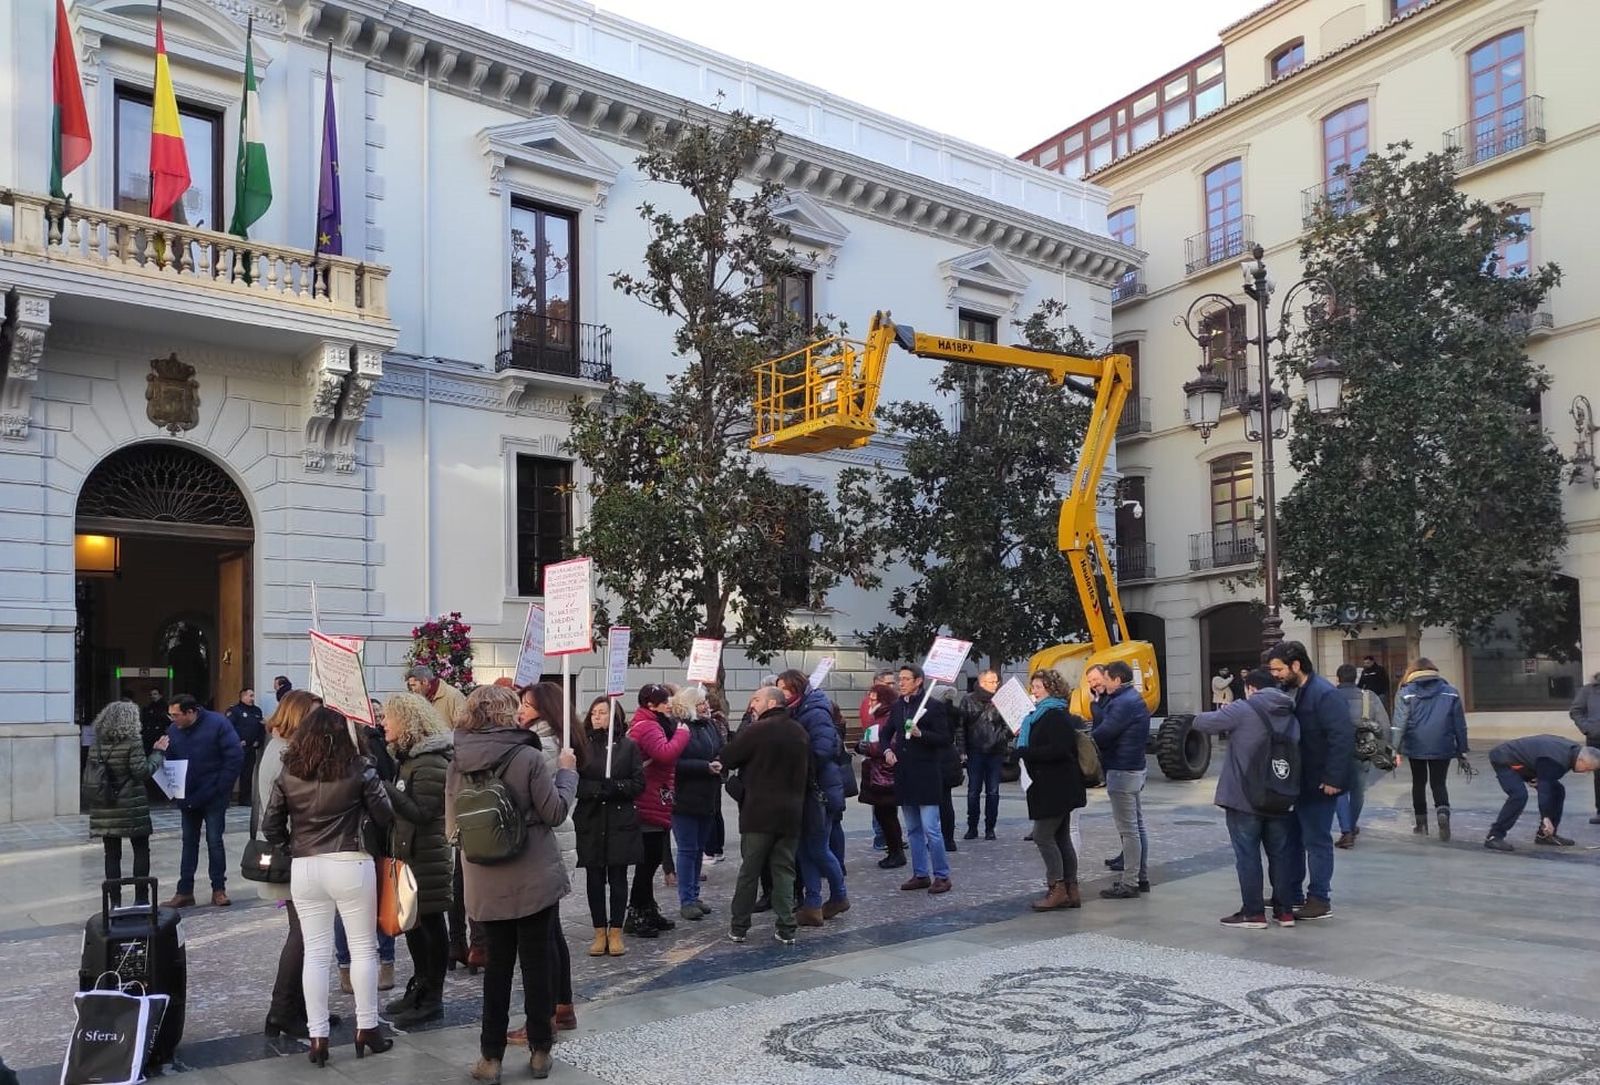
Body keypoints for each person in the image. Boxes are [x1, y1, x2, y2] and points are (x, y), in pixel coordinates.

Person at [446, 685, 577, 1083]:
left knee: (497, 969)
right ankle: (539, 1050)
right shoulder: (529, 756)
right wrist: (568, 773)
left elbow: (452, 828)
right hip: (533, 872)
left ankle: (490, 1058)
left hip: (484, 879)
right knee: (538, 965)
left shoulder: (457, 761)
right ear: (505, 714)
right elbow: (554, 813)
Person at [262, 706, 395, 1066]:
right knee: (363, 949)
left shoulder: (290, 770)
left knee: (317, 953)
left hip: (305, 865)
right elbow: (385, 815)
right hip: (350, 860)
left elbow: (270, 824)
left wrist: (292, 845)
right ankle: (367, 1028)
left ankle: (317, 1036)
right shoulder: (359, 767)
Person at [1194, 669, 1301, 929]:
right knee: (1280, 854)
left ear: (1251, 688)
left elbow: (1202, 723)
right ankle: (1285, 912)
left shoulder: (1243, 709)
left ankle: (1253, 913)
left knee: (1248, 854)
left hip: (1245, 796)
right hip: (1281, 793)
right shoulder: (1290, 713)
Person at [257, 690, 330, 1041]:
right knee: (304, 934)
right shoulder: (285, 754)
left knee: (305, 932)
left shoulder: (282, 748)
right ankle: (283, 1010)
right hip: (294, 854)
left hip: (294, 852)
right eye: (313, 715)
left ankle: (300, 1007)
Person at [377, 692, 454, 1028]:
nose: (383, 723)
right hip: (410, 853)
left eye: (389, 718)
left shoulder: (430, 762)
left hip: (428, 855)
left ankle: (432, 997)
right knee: (413, 926)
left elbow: (424, 813)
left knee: (431, 927)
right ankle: (420, 986)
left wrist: (386, 789)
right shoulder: (408, 760)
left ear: (407, 722)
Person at [1265, 641, 1353, 922]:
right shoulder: (1289, 691)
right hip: (1293, 782)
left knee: (1317, 841)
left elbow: (1341, 737)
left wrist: (1333, 778)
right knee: (1290, 841)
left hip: (1318, 782)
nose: (1274, 675)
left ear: (1295, 666)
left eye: (1278, 669)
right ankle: (1291, 894)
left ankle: (1319, 898)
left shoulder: (1324, 694)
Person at [512, 681, 580, 1040]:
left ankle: (545, 1016)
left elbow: (549, 803)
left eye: (527, 704)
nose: (521, 709)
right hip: (553, 844)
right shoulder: (542, 739)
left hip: (548, 845)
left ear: (546, 709)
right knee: (551, 931)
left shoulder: (545, 744)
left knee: (542, 937)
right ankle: (561, 1006)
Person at [722, 686, 810, 945]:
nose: (752, 704)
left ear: (772, 702)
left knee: (750, 870)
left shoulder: (757, 730)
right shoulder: (799, 731)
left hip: (759, 813)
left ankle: (739, 927)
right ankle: (786, 928)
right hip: (791, 812)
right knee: (784, 871)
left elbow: (729, 756)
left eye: (757, 699)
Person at [776, 670, 848, 926]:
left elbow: (823, 749)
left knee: (817, 848)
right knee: (805, 850)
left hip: (821, 791)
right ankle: (813, 904)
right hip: (809, 790)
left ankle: (839, 896)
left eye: (783, 688)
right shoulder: (798, 711)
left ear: (795, 689)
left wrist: (795, 766)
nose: (780, 693)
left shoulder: (815, 712)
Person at [573, 697, 643, 956]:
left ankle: (616, 930)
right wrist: (594, 790)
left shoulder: (628, 747)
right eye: (594, 713)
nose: (597, 717)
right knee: (594, 877)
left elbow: (638, 783)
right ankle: (598, 930)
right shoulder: (582, 747)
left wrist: (616, 787)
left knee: (618, 877)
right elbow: (574, 782)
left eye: (602, 713)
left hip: (619, 819)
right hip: (591, 819)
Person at [159, 694, 243, 909]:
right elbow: (168, 759)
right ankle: (184, 891)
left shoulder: (218, 724)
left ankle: (219, 889)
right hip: (187, 796)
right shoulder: (173, 731)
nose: (173, 719)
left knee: (214, 841)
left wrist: (221, 788)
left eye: (176, 715)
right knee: (189, 842)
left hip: (214, 795)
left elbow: (234, 757)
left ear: (191, 712)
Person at [1018, 670, 1086, 911]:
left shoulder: (1054, 715)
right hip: (1055, 786)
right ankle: (1071, 889)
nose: (1033, 691)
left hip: (1056, 787)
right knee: (1061, 837)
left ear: (1051, 688)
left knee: (1042, 836)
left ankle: (1057, 888)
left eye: (1037, 687)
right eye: (1033, 686)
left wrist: (1026, 752)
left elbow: (1059, 750)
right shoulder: (1040, 715)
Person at [625, 684, 688, 937]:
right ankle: (637, 913)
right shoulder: (649, 726)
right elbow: (664, 754)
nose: (669, 704)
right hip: (648, 801)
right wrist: (683, 734)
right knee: (647, 862)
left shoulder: (650, 722)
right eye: (664, 701)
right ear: (651, 704)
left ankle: (647, 908)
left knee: (650, 860)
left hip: (655, 798)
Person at [86, 702, 165, 906]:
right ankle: (141, 898)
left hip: (104, 805)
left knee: (111, 854)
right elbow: (142, 772)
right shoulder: (133, 742)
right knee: (140, 849)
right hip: (131, 805)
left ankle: (115, 902)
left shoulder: (97, 744)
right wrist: (157, 753)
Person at [888, 664, 953, 895]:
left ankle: (942, 876)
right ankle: (920, 873)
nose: (901, 682)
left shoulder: (933, 707)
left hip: (926, 775)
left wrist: (921, 734)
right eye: (900, 678)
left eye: (906, 679)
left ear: (918, 681)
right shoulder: (897, 707)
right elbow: (887, 733)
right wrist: (887, 750)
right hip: (905, 775)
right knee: (913, 828)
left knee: (931, 829)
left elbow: (945, 738)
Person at [1390, 658, 1468, 841]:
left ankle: (1421, 823)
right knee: (1439, 783)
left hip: (1416, 744)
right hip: (1443, 744)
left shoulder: (1406, 693)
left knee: (1418, 783)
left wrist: (1395, 749)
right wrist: (1462, 749)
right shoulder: (1451, 692)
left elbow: (1399, 724)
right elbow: (1460, 725)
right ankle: (1442, 812)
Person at [1091, 661, 1150, 900]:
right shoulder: (1131, 699)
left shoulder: (1123, 703)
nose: (1102, 682)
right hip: (1134, 767)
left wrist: (1085, 740)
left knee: (1129, 830)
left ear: (1116, 679)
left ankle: (1130, 882)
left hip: (1122, 770)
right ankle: (1140, 876)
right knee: (1136, 826)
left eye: (1105, 678)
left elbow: (1103, 733)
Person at [668, 686, 726, 922]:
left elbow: (720, 750)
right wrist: (704, 767)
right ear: (690, 705)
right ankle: (687, 900)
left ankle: (695, 895)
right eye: (701, 702)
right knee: (687, 849)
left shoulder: (710, 726)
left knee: (699, 848)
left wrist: (721, 762)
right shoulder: (679, 728)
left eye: (706, 702)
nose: (706, 706)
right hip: (685, 797)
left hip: (708, 794)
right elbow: (673, 761)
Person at [1484, 736, 1600, 852]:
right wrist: (1546, 817)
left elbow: (1545, 776)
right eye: (1588, 768)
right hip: (1505, 758)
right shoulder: (1557, 760)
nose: (1587, 772)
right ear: (1581, 760)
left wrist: (1537, 776)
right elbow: (1545, 789)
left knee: (1557, 790)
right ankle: (1494, 836)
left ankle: (1545, 835)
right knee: (1519, 796)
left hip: (1527, 762)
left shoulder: (1572, 753)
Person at [1333, 663, 1389, 848]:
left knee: (1339, 790)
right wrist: (1381, 749)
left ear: (1338, 678)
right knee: (1358, 790)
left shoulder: (1329, 696)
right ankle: (1352, 824)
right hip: (1363, 750)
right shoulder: (1369, 697)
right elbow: (1384, 726)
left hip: (1336, 750)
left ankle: (1346, 830)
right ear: (1355, 678)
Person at [856, 681, 906, 869]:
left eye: (873, 700)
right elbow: (870, 740)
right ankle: (893, 850)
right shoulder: (876, 717)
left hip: (886, 774)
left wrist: (869, 748)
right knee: (882, 814)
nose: (870, 703)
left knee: (887, 814)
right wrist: (862, 746)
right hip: (877, 773)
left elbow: (889, 744)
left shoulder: (889, 717)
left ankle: (896, 852)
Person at [958, 669, 1007, 842]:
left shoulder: (1001, 700)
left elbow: (1009, 725)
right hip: (975, 751)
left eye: (996, 682)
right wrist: (962, 750)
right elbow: (961, 726)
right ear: (982, 683)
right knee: (973, 791)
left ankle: (990, 828)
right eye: (992, 682)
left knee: (993, 792)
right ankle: (972, 827)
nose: (995, 685)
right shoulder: (968, 700)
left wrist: (1001, 738)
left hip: (995, 751)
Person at [1566, 672, 1600, 824]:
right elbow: (1575, 711)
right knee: (1599, 776)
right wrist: (1588, 728)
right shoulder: (1589, 690)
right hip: (1596, 738)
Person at [227, 687, 266, 809]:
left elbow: (261, 728)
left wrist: (258, 741)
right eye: (250, 696)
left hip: (250, 748)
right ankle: (226, 798)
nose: (252, 698)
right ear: (243, 697)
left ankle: (245, 799)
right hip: (237, 748)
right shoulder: (234, 711)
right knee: (232, 773)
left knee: (247, 774)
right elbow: (228, 727)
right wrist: (237, 741)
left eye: (253, 696)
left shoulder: (257, 711)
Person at [406, 665, 468, 730]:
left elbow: (462, 727)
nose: (413, 689)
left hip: (447, 739)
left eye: (414, 685)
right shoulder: (418, 698)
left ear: (425, 681)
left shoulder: (453, 695)